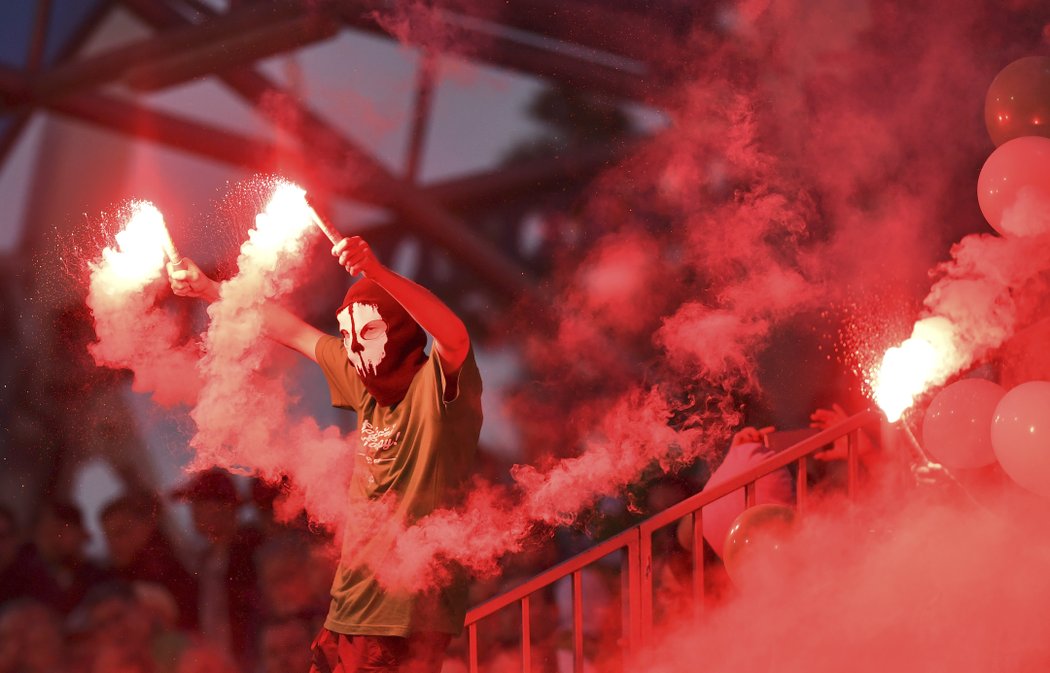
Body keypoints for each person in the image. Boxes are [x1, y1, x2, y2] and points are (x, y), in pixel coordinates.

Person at [168, 235, 483, 673]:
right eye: (349, 335)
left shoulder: (436, 384)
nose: (355, 347)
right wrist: (209, 290)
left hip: (404, 615)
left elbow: (454, 335)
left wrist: (377, 273)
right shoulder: (360, 379)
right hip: (348, 612)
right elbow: (291, 330)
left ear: (399, 329)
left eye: (370, 331)